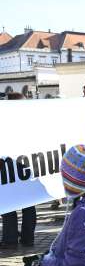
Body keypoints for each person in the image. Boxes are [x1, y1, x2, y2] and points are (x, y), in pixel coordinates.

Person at [0, 93, 36, 249]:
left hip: (9, 168)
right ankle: (28, 238)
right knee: (29, 204)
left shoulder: (6, 121)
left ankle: (10, 239)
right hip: (29, 168)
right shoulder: (31, 121)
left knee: (8, 203)